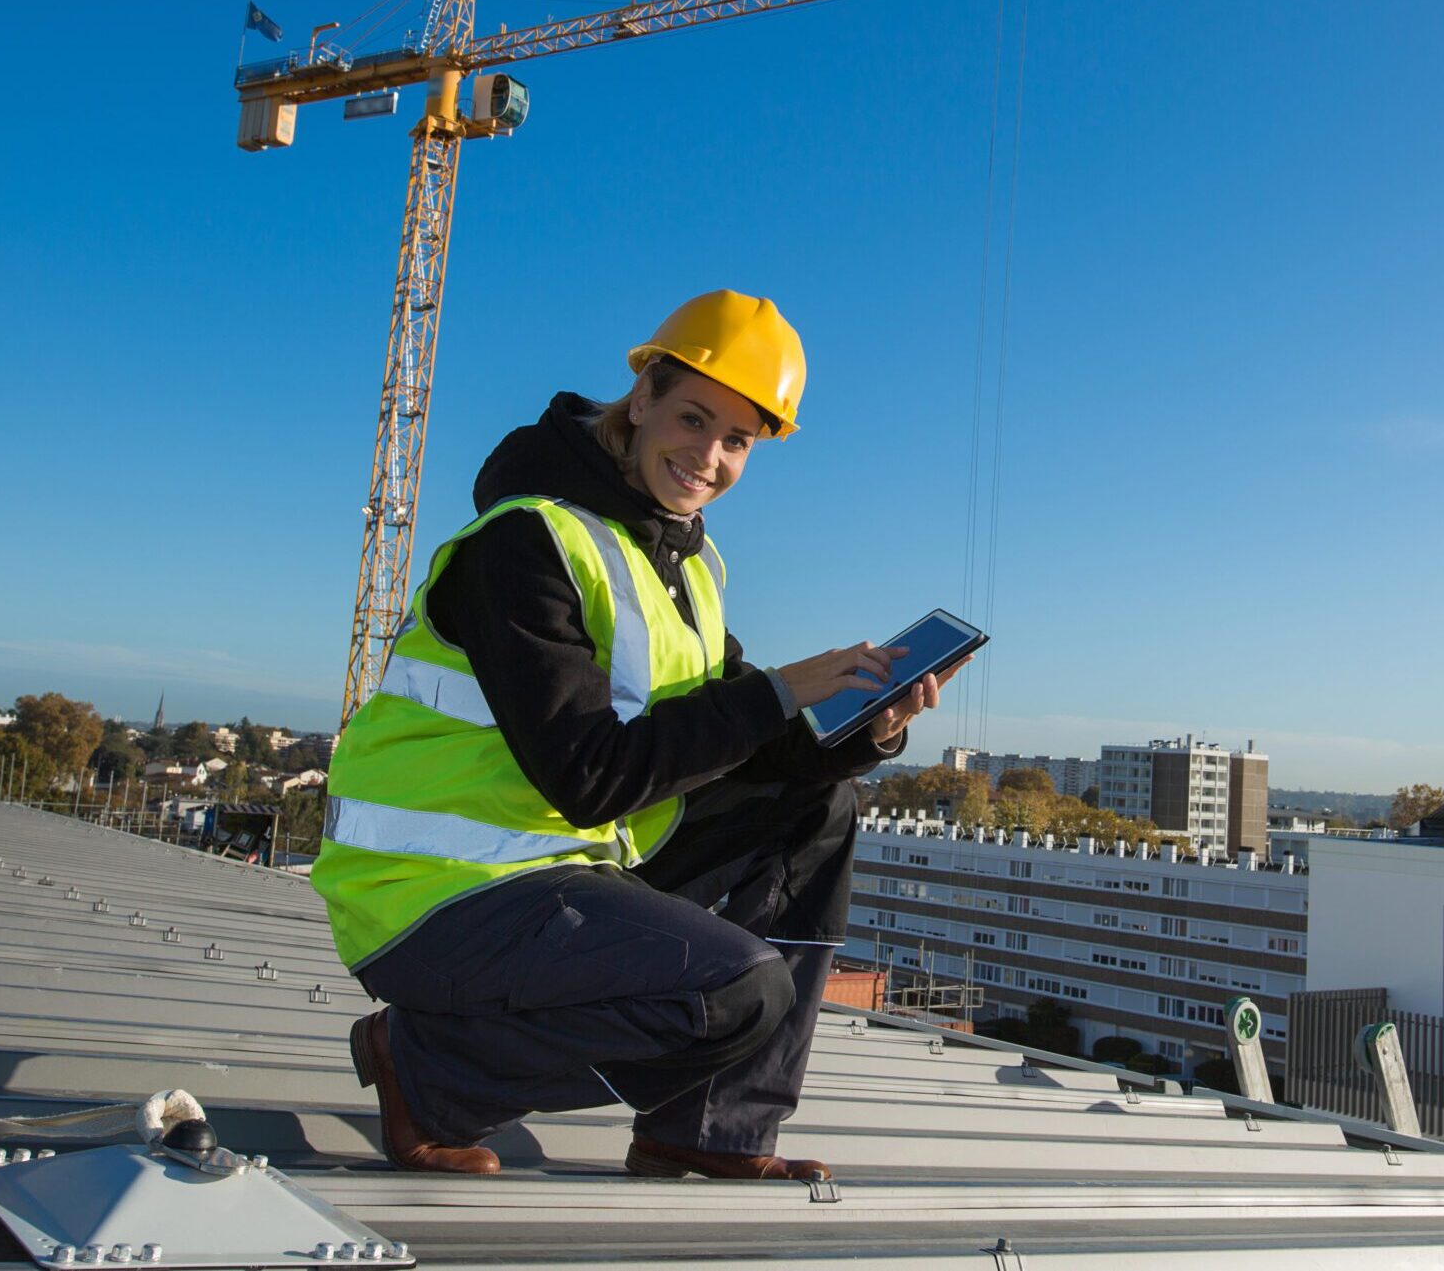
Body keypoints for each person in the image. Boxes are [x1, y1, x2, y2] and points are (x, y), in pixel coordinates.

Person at [314, 289, 964, 1182]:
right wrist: (777, 688)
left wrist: (864, 731)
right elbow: (590, 775)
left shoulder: (683, 563)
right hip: (433, 895)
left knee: (818, 805)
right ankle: (425, 1069)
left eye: (736, 440)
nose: (708, 456)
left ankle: (707, 1127)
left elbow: (745, 742)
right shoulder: (525, 543)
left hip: (552, 868)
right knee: (738, 988)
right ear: (642, 397)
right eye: (692, 418)